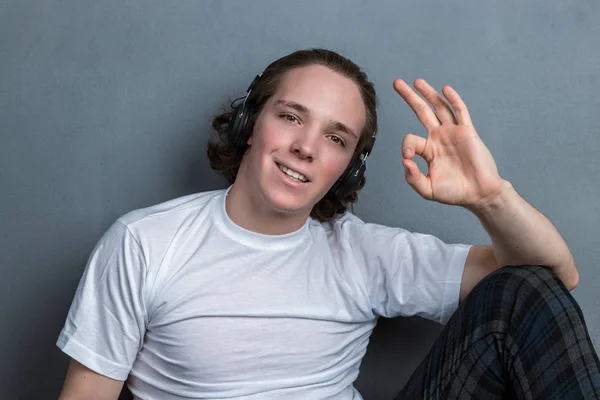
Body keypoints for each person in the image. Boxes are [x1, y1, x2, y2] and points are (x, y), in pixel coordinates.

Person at [56, 48, 600, 399]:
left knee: (520, 285)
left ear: (347, 166)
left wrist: (488, 198)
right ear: (250, 124)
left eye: (336, 138)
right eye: (291, 116)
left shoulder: (360, 251)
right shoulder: (144, 243)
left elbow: (554, 275)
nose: (306, 147)